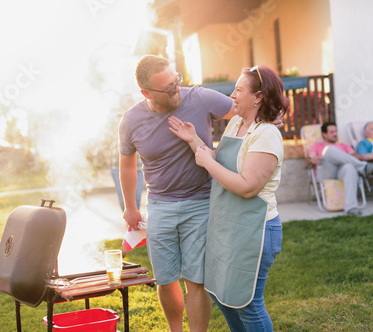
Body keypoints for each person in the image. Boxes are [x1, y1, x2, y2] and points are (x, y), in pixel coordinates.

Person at [118, 54, 235, 332]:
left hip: (201, 203)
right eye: (167, 88)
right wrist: (130, 206)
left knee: (196, 280)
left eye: (176, 82)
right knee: (165, 278)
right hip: (159, 206)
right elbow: (127, 163)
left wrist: (230, 151)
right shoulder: (131, 120)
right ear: (146, 92)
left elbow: (242, 112)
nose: (175, 91)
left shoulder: (200, 98)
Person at [169, 65, 288, 331]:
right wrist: (193, 140)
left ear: (257, 97)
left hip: (255, 229)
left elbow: (248, 187)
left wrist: (208, 163)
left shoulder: (266, 134)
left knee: (247, 303)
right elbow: (217, 161)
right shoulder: (236, 123)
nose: (232, 95)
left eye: (238, 89)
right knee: (223, 297)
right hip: (228, 225)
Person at [306, 122, 373, 216]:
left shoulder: (344, 146)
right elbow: (308, 161)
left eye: (336, 131)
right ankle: (363, 168)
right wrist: (312, 159)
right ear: (324, 134)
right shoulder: (317, 145)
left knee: (349, 167)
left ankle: (350, 208)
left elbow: (355, 156)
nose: (335, 134)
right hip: (326, 172)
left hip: (341, 172)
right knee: (330, 150)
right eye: (332, 132)